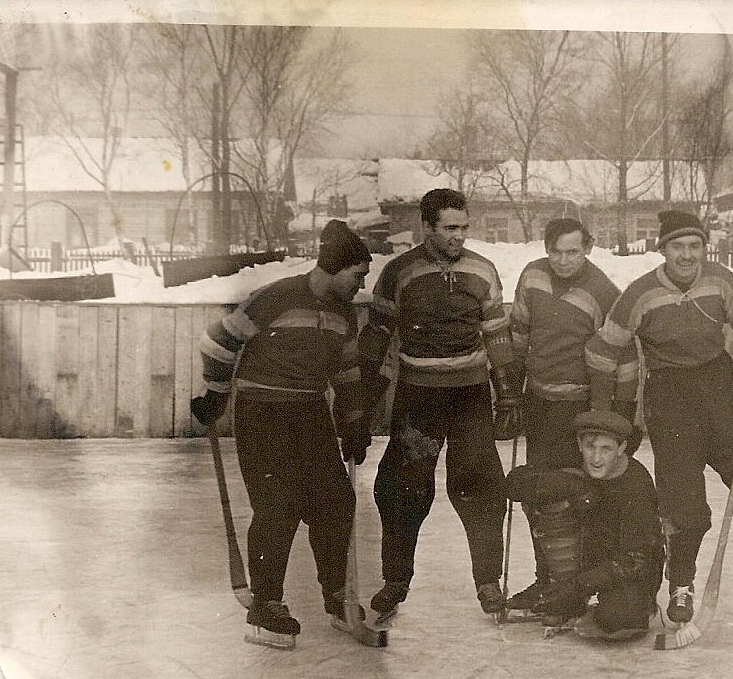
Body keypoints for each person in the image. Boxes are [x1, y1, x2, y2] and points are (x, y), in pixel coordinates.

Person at [585, 210, 733, 634]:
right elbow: (601, 352)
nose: (687, 255)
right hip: (669, 395)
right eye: (677, 247)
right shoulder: (640, 293)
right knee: (683, 505)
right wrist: (610, 415)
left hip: (719, 386)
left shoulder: (721, 281)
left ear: (704, 248)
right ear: (662, 250)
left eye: (695, 246)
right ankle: (681, 586)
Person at [191, 220, 373, 649]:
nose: (360, 285)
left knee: (335, 502)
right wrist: (215, 395)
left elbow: (347, 369)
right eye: (357, 275)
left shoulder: (344, 313)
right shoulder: (275, 297)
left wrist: (353, 418)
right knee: (278, 507)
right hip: (263, 413)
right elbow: (218, 343)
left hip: (309, 412)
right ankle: (266, 606)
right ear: (334, 267)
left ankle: (337, 597)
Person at [358, 189, 519, 622]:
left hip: (469, 395)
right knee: (402, 489)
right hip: (419, 396)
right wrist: (363, 400)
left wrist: (507, 393)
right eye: (450, 228)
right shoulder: (399, 272)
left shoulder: (482, 270)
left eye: (464, 227)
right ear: (427, 227)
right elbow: (376, 336)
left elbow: (497, 334)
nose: (459, 236)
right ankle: (395, 579)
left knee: (481, 486)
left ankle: (487, 581)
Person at [503, 218, 635, 615]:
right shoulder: (532, 277)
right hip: (538, 401)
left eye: (572, 251)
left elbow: (625, 356)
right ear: (546, 248)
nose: (563, 260)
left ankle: (571, 587)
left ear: (588, 248)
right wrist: (510, 389)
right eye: (556, 251)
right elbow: (519, 333)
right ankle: (549, 580)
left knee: (570, 496)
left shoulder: (603, 292)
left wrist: (623, 414)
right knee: (537, 494)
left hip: (578, 409)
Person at [505, 409, 663, 640]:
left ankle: (633, 604)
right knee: (549, 490)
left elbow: (633, 560)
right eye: (590, 446)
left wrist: (577, 588)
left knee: (619, 620)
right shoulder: (574, 461)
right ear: (580, 444)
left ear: (621, 449)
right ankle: (550, 583)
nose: (596, 458)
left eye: (606, 449)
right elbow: (515, 483)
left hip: (626, 568)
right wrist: (574, 485)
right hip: (583, 559)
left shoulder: (636, 483)